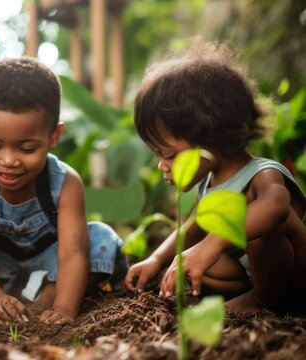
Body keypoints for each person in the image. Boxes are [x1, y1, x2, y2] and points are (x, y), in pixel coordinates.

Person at [124, 39, 306, 314]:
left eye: (170, 155)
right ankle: (253, 292)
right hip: (252, 271)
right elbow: (189, 230)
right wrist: (157, 259)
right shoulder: (211, 184)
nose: (161, 165)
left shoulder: (261, 174)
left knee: (259, 225)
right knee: (188, 256)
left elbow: (277, 206)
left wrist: (213, 243)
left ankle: (265, 300)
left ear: (212, 136)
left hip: (297, 273)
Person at [0, 57, 128, 325]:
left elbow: (72, 253)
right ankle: (9, 298)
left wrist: (64, 309)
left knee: (101, 240)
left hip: (52, 267)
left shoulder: (65, 183)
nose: (8, 160)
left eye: (27, 148)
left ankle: (49, 295)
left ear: (53, 136)